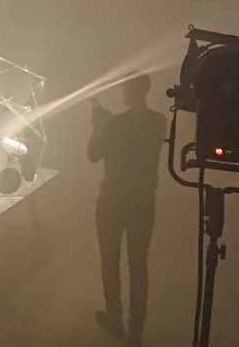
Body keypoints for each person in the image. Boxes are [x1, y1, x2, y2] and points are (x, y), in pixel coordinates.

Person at [87, 74, 167, 346]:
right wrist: (107, 123)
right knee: (138, 263)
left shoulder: (113, 123)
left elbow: (93, 154)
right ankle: (136, 331)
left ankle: (115, 317)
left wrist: (99, 126)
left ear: (128, 92)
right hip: (143, 200)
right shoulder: (159, 122)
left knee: (110, 260)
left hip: (112, 199)